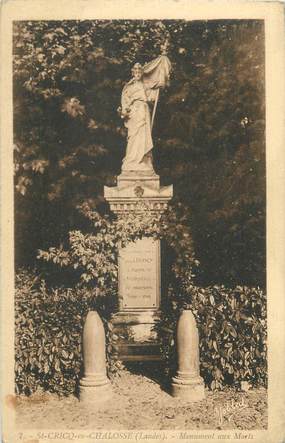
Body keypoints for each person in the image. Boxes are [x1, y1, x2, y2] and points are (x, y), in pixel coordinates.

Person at [118, 55, 171, 173]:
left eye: (139, 71)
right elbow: (125, 104)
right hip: (133, 113)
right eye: (135, 71)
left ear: (141, 73)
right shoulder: (128, 88)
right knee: (133, 136)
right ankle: (132, 161)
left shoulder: (145, 85)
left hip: (143, 110)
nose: (137, 73)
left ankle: (144, 161)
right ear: (133, 73)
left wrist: (161, 75)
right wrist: (123, 112)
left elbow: (158, 85)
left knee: (144, 135)